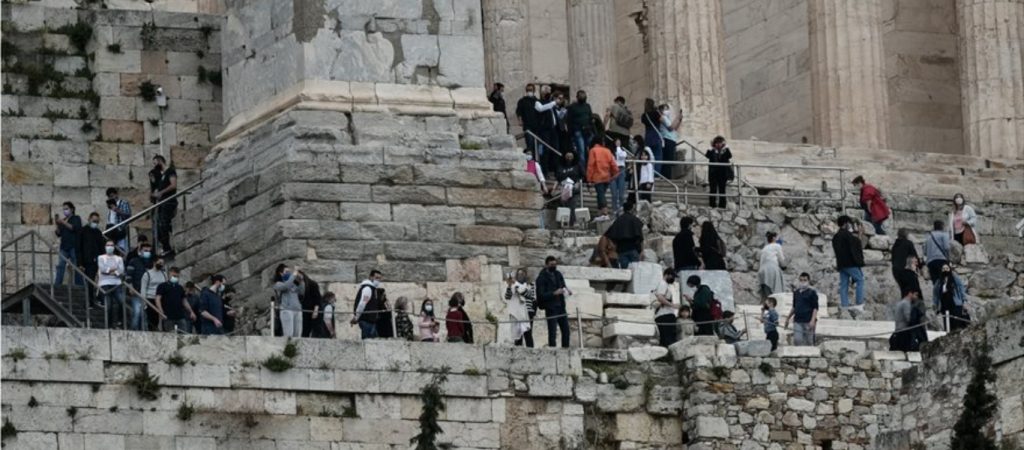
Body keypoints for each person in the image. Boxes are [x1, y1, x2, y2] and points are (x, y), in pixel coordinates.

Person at [832, 215, 866, 313]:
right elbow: (856, 245)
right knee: (860, 280)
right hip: (850, 264)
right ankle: (859, 304)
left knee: (843, 284)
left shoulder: (836, 236)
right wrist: (860, 234)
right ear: (846, 223)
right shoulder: (847, 235)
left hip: (841, 264)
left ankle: (844, 306)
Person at [536, 256, 571, 348]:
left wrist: (567, 290)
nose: (554, 266)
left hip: (561, 306)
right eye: (552, 265)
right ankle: (552, 350)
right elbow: (541, 295)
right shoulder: (541, 278)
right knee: (552, 331)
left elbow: (563, 285)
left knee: (566, 330)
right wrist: (554, 293)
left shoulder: (558, 274)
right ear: (546, 265)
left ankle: (566, 350)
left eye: (555, 264)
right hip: (551, 307)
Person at [149, 155, 178, 257]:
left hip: (169, 202)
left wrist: (161, 192)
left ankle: (168, 247)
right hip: (162, 203)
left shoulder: (170, 171)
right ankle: (166, 247)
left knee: (164, 223)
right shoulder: (162, 177)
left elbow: (173, 185)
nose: (154, 165)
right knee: (160, 225)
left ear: (160, 161)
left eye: (155, 162)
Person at [604, 201, 644, 270]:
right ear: (632, 209)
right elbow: (640, 236)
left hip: (621, 251)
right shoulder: (635, 220)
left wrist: (614, 248)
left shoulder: (618, 220)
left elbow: (609, 234)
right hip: (633, 249)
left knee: (625, 271)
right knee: (635, 271)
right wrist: (642, 251)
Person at [587, 141, 620, 221]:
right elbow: (613, 163)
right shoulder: (607, 151)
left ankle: (604, 212)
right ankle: (600, 213)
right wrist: (615, 173)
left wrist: (589, 179)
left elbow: (590, 165)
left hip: (598, 176)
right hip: (607, 177)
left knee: (600, 194)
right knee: (601, 194)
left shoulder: (593, 150)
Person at [96, 240, 126, 327]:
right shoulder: (101, 257)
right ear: (105, 247)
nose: (110, 247)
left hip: (117, 283)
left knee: (121, 302)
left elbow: (121, 270)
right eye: (108, 245)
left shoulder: (119, 258)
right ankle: (109, 324)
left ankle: (120, 321)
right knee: (108, 306)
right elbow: (102, 269)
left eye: (112, 245)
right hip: (105, 283)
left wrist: (109, 271)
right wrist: (113, 270)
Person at [155, 267, 194, 333]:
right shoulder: (162, 286)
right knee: (169, 336)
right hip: (168, 316)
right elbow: (158, 299)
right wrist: (160, 310)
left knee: (184, 335)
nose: (175, 278)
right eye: (174, 276)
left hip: (180, 316)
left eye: (177, 276)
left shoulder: (180, 288)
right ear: (169, 275)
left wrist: (191, 311)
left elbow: (184, 301)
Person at [785, 272, 819, 346]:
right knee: (797, 339)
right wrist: (788, 318)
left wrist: (813, 320)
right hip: (798, 320)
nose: (803, 282)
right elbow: (794, 307)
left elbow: (815, 307)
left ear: (808, 281)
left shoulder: (812, 293)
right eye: (801, 280)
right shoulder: (796, 293)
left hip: (808, 320)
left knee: (809, 341)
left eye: (805, 280)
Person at [78, 212, 105, 303]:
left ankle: (97, 299)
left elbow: (101, 247)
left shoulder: (98, 232)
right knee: (89, 281)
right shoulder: (83, 231)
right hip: (87, 260)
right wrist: (80, 263)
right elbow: (79, 247)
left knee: (98, 281)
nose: (95, 223)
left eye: (97, 221)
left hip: (97, 260)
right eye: (94, 221)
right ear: (89, 219)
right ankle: (90, 301)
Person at [505, 268, 537, 347]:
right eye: (519, 274)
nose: (520, 276)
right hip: (517, 313)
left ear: (526, 275)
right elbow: (507, 297)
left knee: (528, 334)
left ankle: (530, 352)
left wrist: (516, 284)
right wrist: (509, 286)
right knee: (517, 335)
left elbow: (529, 295)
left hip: (528, 312)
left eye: (522, 274)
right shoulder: (513, 286)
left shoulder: (530, 285)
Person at [124, 243, 153, 331]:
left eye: (149, 251)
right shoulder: (134, 261)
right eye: (145, 251)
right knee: (136, 313)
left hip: (147, 293)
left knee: (144, 315)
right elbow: (128, 275)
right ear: (140, 251)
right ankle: (134, 332)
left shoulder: (151, 263)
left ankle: (143, 332)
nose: (147, 253)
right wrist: (130, 287)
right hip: (136, 291)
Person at [54, 201, 83, 286]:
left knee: (76, 267)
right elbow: (58, 233)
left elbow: (74, 228)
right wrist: (57, 224)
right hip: (64, 247)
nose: (65, 211)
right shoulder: (63, 220)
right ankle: (57, 284)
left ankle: (79, 285)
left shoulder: (76, 218)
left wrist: (63, 222)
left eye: (66, 209)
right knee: (60, 266)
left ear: (72, 209)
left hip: (74, 246)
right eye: (64, 209)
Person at [923, 220, 951, 305]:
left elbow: (924, 251)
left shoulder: (928, 237)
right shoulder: (944, 235)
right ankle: (943, 300)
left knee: (935, 281)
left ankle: (937, 301)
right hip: (941, 260)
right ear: (942, 226)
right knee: (944, 280)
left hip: (931, 262)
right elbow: (946, 247)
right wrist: (948, 257)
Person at [272, 264, 305, 338]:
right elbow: (286, 286)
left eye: (289, 272)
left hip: (297, 309)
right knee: (289, 335)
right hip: (286, 310)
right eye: (286, 271)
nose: (289, 273)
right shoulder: (278, 284)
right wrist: (294, 274)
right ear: (281, 273)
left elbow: (301, 292)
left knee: (297, 335)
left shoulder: (293, 283)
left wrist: (301, 281)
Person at [351, 270, 384, 339]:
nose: (378, 280)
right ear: (371, 277)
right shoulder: (368, 288)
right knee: (370, 341)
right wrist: (356, 317)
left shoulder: (372, 289)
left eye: (379, 278)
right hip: (367, 320)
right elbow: (362, 304)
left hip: (370, 321)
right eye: (376, 278)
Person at [935, 264, 968, 331]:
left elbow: (961, 287)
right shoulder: (939, 282)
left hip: (955, 304)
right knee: (947, 324)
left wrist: (964, 300)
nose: (945, 270)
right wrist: (935, 304)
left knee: (956, 324)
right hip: (944, 305)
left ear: (949, 269)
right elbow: (936, 293)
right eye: (943, 268)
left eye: (947, 268)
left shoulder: (955, 278)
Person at [567, 90, 594, 171]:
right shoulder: (572, 107)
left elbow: (590, 117)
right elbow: (569, 120)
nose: (583, 97)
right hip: (578, 131)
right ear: (577, 97)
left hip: (587, 131)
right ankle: (583, 171)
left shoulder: (587, 106)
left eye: (584, 95)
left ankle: (589, 169)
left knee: (589, 151)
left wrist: (591, 127)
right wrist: (571, 132)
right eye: (581, 95)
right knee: (581, 151)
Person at [704, 136, 733, 209]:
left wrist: (726, 147)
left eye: (720, 143)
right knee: (713, 189)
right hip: (713, 174)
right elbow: (707, 155)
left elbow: (729, 156)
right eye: (717, 143)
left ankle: (722, 206)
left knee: (722, 190)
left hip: (722, 174)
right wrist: (710, 147)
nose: (718, 145)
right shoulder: (712, 151)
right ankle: (712, 205)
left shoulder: (725, 151)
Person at [652, 268, 678, 347]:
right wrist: (672, 305)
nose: (673, 278)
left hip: (663, 314)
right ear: (667, 275)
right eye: (672, 276)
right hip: (665, 314)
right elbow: (660, 297)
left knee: (665, 338)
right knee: (668, 338)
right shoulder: (663, 284)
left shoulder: (664, 284)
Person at [140, 257, 168, 330]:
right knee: (153, 319)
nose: (161, 265)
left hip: (162, 298)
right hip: (151, 298)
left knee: (164, 318)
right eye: (159, 263)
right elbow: (143, 288)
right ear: (154, 262)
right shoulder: (147, 274)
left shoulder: (164, 274)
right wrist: (144, 302)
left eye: (162, 263)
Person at [758, 231, 787, 300]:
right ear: (774, 238)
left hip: (762, 270)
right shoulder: (777, 246)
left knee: (767, 291)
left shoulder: (764, 248)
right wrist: (784, 266)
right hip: (772, 268)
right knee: (776, 289)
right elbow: (781, 259)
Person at [657, 104, 681, 178]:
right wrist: (677, 117)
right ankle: (665, 177)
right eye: (665, 109)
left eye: (668, 109)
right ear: (661, 110)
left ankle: (668, 176)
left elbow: (675, 128)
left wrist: (679, 120)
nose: (667, 110)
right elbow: (670, 128)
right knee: (667, 160)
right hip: (666, 140)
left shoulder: (668, 118)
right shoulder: (663, 117)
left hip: (672, 140)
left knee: (670, 160)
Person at [516, 83, 540, 157]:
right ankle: (530, 161)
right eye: (528, 90)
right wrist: (520, 120)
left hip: (537, 126)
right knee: (529, 143)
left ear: (534, 90)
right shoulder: (522, 101)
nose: (529, 91)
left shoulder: (537, 101)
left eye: (531, 90)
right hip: (527, 125)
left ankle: (537, 161)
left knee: (537, 145)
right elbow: (519, 111)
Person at [105, 187, 132, 253]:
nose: (111, 198)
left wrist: (117, 210)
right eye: (109, 197)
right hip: (111, 229)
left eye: (112, 196)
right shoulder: (110, 206)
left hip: (119, 228)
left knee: (120, 248)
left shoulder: (123, 203)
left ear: (116, 194)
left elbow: (128, 216)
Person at [641, 98, 664, 174]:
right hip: (656, 137)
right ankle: (656, 175)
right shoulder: (656, 113)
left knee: (648, 157)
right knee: (657, 157)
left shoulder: (644, 115)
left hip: (648, 138)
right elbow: (662, 120)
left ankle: (648, 173)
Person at [299, 271, 323, 338]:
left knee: (316, 330)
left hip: (314, 309)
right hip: (306, 310)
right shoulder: (298, 285)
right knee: (305, 330)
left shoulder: (312, 284)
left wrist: (316, 310)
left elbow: (317, 298)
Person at [611, 138, 629, 215]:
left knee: (621, 194)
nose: (618, 143)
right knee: (614, 194)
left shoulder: (623, 151)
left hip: (621, 170)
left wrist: (618, 147)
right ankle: (614, 210)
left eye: (619, 142)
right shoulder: (611, 152)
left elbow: (621, 156)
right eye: (617, 142)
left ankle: (621, 210)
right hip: (612, 171)